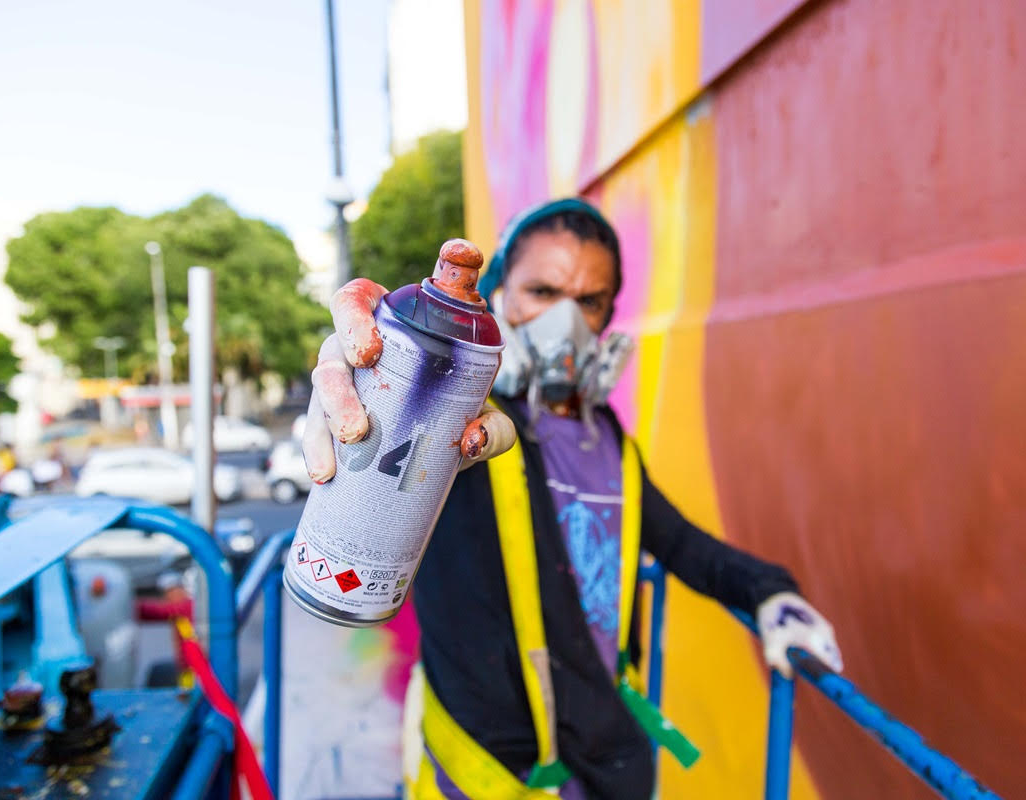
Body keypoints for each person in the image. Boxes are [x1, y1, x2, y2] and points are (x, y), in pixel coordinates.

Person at [302, 198, 843, 799]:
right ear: (501, 296)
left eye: (589, 302)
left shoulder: (610, 441)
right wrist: (377, 391)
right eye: (542, 291)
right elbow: (400, 460)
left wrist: (771, 593)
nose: (566, 323)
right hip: (488, 771)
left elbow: (685, 546)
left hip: (599, 758)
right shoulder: (466, 431)